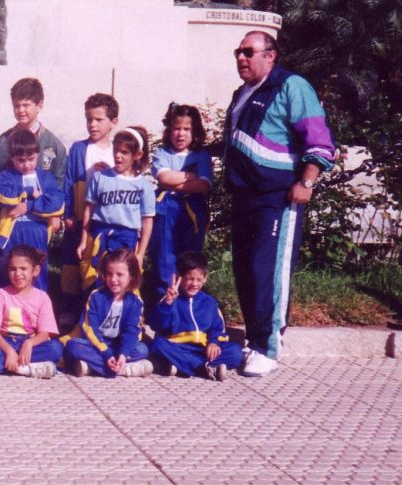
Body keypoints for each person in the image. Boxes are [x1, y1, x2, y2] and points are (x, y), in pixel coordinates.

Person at [225, 31, 336, 377]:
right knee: (245, 271)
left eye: (248, 52)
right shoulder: (242, 93)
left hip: (276, 198)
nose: (241, 58)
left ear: (270, 55)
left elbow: (319, 141)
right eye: (238, 52)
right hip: (244, 197)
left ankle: (269, 347)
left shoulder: (292, 86)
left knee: (266, 271)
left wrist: (307, 181)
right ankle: (254, 339)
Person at [60, 93, 118, 319]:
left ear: (113, 122)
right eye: (89, 119)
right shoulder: (78, 149)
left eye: (99, 119)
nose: (92, 124)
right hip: (78, 218)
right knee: (71, 266)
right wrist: (67, 212)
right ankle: (69, 313)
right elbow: (69, 182)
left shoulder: (117, 151)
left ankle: (98, 313)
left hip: (104, 222)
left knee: (98, 267)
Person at [76, 126, 155, 287]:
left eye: (124, 152)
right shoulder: (100, 177)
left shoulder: (143, 186)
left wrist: (140, 253)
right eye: (116, 150)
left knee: (122, 279)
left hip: (126, 236)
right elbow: (89, 209)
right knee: (96, 277)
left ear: (137, 155)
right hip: (100, 232)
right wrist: (84, 240)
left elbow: (147, 221)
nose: (118, 156)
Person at [149, 103, 212, 298]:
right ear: (169, 130)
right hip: (166, 208)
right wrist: (190, 176)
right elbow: (164, 178)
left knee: (191, 255)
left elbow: (204, 184)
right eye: (177, 128)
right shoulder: (162, 153)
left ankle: (188, 300)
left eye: (187, 129)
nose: (181, 134)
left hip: (193, 209)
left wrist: (174, 182)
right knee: (165, 254)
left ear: (195, 131)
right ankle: (166, 299)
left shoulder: (201, 155)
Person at [149, 251, 243, 381]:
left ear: (205, 278)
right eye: (190, 278)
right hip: (178, 347)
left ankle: (182, 366)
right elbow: (158, 326)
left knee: (235, 352)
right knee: (158, 344)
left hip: (203, 349)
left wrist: (213, 343)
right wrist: (167, 304)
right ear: (179, 277)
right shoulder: (170, 300)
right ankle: (203, 368)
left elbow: (217, 328)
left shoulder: (209, 302)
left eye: (199, 279)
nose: (194, 284)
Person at [0, 245, 62, 378]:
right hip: (4, 342)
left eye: (23, 269)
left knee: (56, 348)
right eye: (12, 269)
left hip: (30, 344)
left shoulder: (42, 298)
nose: (17, 274)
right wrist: (9, 351)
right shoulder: (0, 295)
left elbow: (44, 334)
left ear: (35, 271)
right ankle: (26, 368)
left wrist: (28, 344)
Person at [0, 129, 64, 291]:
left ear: (38, 155)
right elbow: (2, 195)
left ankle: (37, 305)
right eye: (21, 160)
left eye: (31, 159)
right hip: (12, 231)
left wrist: (28, 206)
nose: (26, 165)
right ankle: (7, 306)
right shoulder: (6, 176)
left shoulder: (45, 177)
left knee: (37, 272)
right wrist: (30, 191)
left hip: (37, 231)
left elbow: (57, 203)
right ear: (11, 158)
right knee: (10, 272)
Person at [62, 249, 152, 378]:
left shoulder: (135, 302)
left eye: (119, 274)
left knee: (142, 349)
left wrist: (123, 354)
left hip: (117, 346)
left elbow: (132, 331)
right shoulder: (96, 296)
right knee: (73, 346)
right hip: (97, 344)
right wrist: (106, 353)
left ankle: (94, 366)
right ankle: (122, 370)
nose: (113, 279)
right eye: (109, 274)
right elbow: (89, 328)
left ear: (131, 276)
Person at [0, 77, 67, 189]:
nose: (21, 110)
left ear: (39, 105)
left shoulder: (54, 145)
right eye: (17, 106)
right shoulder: (3, 142)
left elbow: (59, 186)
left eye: (26, 105)